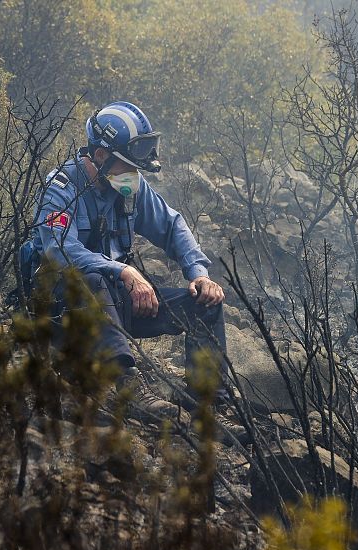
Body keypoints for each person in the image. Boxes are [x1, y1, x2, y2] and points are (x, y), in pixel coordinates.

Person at [30, 101, 247, 443]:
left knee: (204, 303)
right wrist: (123, 271)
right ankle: (130, 386)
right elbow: (59, 250)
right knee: (91, 277)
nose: (134, 174)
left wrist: (198, 273)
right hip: (66, 313)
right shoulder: (61, 188)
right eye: (127, 164)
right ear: (100, 156)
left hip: (115, 309)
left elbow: (172, 224)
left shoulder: (127, 184)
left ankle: (208, 411)